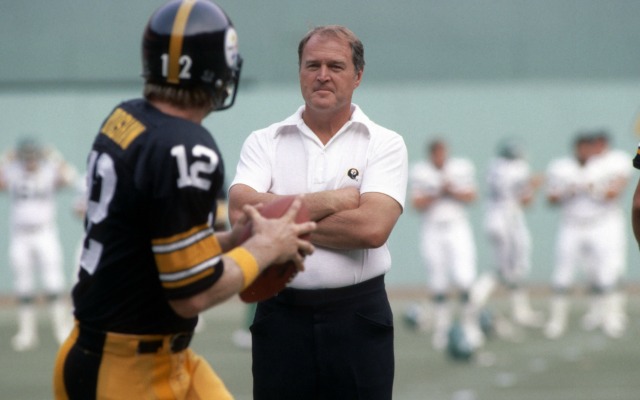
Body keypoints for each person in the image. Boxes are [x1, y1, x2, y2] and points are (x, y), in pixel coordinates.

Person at [52, 1, 316, 399]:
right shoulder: (187, 147)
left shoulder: (127, 117)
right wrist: (263, 249)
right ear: (216, 71)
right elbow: (191, 294)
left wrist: (234, 239)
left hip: (144, 354)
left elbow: (157, 247)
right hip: (124, 372)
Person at [228, 25, 408, 400]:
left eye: (335, 66)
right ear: (300, 72)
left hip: (358, 316)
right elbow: (240, 215)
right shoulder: (265, 141)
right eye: (312, 65)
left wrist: (276, 211)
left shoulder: (385, 143)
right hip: (280, 315)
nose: (322, 75)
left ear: (357, 76)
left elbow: (371, 229)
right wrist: (335, 200)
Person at [543, 132, 628, 339]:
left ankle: (610, 318)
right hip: (571, 225)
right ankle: (557, 321)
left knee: (606, 272)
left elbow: (613, 194)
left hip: (599, 224)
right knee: (563, 274)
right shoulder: (561, 168)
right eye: (582, 148)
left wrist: (593, 189)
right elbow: (550, 198)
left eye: (589, 148)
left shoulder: (604, 167)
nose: (585, 152)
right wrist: (568, 191)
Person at [0, 138, 77, 351]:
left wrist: (54, 155)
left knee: (53, 282)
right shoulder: (13, 171)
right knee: (23, 285)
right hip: (20, 234)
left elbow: (70, 178)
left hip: (45, 232)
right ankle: (27, 332)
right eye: (26, 156)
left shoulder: (48, 170)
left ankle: (60, 328)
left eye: (33, 155)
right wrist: (6, 157)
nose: (30, 160)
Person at [409, 138, 483, 350]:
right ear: (431, 155)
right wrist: (437, 192)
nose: (440, 157)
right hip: (432, 228)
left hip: (457, 227)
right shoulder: (420, 171)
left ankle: (471, 326)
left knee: (464, 278)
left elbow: (472, 196)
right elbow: (417, 203)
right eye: (436, 153)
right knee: (437, 280)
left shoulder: (461, 167)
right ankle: (442, 329)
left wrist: (450, 190)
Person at [482, 138, 544, 328]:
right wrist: (536, 184)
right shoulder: (516, 168)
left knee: (512, 270)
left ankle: (520, 311)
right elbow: (525, 197)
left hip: (495, 216)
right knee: (508, 271)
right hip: (508, 219)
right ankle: (475, 301)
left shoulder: (494, 166)